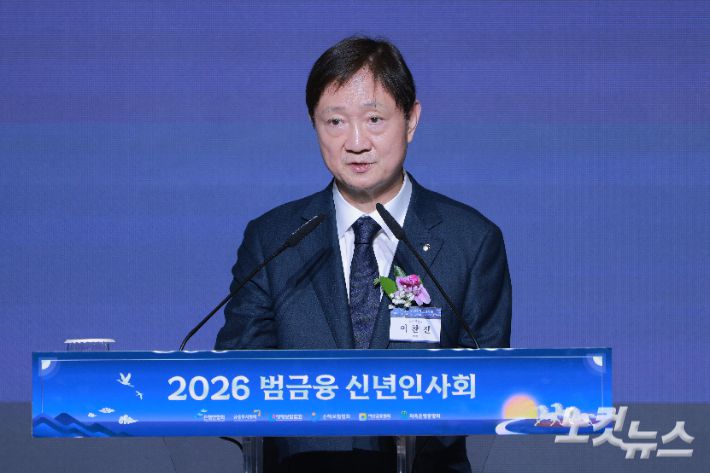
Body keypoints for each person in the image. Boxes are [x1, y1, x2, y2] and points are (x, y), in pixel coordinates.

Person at [215, 36, 512, 473]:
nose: (356, 142)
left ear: (411, 120)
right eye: (335, 122)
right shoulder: (273, 239)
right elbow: (237, 377)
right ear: (314, 125)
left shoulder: (471, 240)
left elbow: (488, 383)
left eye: (374, 119)